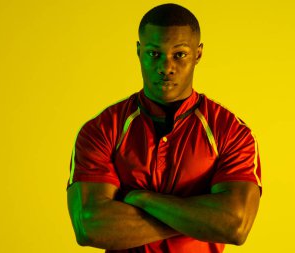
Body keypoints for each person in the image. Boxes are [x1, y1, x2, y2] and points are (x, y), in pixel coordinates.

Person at [67, 3, 262, 253]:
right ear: (138, 51)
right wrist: (202, 219)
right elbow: (89, 227)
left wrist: (143, 199)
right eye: (154, 53)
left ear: (198, 53)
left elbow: (234, 226)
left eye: (179, 54)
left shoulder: (232, 132)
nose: (166, 67)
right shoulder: (102, 129)